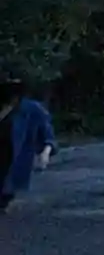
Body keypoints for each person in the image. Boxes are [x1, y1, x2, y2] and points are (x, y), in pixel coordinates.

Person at [1, 78, 55, 215]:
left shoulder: (31, 109)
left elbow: (47, 133)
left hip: (12, 154)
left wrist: (45, 152)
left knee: (7, 185)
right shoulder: (4, 107)